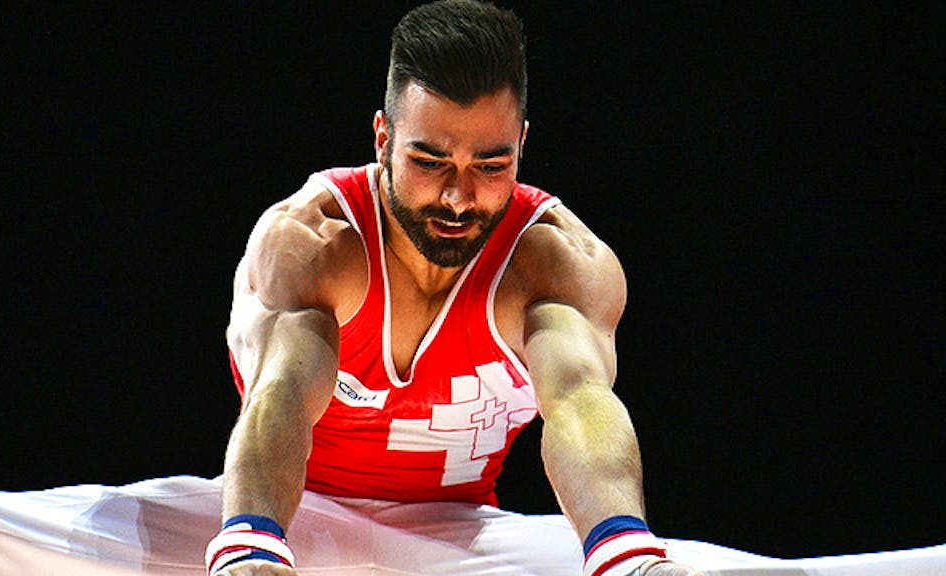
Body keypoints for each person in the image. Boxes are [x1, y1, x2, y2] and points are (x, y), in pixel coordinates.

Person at [211, 1, 702, 575]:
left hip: (457, 543)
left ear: (521, 145)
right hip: (293, 517)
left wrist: (627, 555)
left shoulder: (553, 263)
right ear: (382, 139)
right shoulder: (315, 244)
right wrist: (251, 547)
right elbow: (283, 392)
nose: (458, 197)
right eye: (430, 161)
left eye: (490, 167)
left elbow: (578, 397)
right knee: (115, 520)